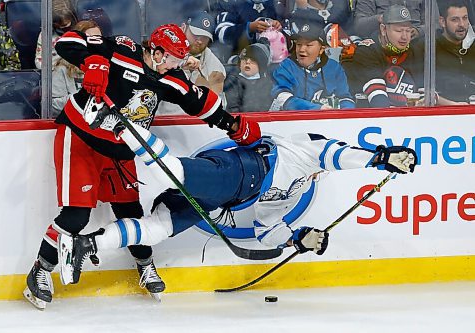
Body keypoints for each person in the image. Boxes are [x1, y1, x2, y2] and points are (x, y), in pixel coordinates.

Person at [23, 23, 260, 310]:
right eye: (171, 58)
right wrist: (94, 61)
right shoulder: (122, 48)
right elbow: (69, 41)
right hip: (82, 135)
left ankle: (145, 266)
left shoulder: (169, 78)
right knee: (76, 216)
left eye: (178, 60)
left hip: (121, 146)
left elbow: (198, 102)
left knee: (131, 212)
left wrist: (231, 124)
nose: (174, 66)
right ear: (156, 51)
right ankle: (40, 270)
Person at [56, 107, 417, 286]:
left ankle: (85, 246)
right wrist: (379, 159)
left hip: (224, 198)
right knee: (175, 172)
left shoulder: (296, 190)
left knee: (160, 228)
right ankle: (122, 124)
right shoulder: (306, 150)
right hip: (240, 171)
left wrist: (297, 238)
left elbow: (266, 229)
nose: (327, 161)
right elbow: (336, 155)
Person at [342, 5, 424, 108]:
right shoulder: (367, 50)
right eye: (398, 31)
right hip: (374, 117)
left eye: (408, 31)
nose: (404, 37)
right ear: (383, 29)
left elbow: (425, 91)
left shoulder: (414, 50)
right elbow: (378, 98)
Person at [270, 20, 355, 111]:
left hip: (330, 120)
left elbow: (345, 98)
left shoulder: (334, 67)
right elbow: (282, 98)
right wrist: (317, 109)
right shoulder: (286, 67)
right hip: (294, 122)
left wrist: (344, 114)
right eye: (299, 44)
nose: (302, 49)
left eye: (308, 45)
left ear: (321, 49)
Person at [158, 10, 226, 115]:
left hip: (197, 124)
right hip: (163, 120)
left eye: (204, 38)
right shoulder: (162, 48)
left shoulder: (216, 67)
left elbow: (220, 105)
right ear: (184, 28)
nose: (199, 41)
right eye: (196, 35)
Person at [52, 20, 102, 117]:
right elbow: (52, 107)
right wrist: (81, 98)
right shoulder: (63, 69)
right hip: (75, 125)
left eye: (99, 39)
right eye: (91, 39)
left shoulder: (109, 67)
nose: (97, 43)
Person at [434, 0, 475, 105]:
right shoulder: (428, 48)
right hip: (443, 116)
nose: (461, 24)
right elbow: (423, 94)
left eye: (465, 18)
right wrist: (455, 106)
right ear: (442, 22)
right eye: (455, 20)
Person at [215, 0, 284, 61]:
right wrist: (249, 28)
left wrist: (278, 30)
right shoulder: (232, 4)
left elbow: (290, 36)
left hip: (274, 60)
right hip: (241, 60)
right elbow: (221, 34)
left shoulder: (277, 4)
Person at [224, 39, 274, 112]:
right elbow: (232, 107)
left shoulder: (267, 84)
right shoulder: (232, 82)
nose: (247, 62)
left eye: (253, 60)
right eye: (244, 59)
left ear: (261, 66)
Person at [353, 0, 432, 39]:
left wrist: (418, 31)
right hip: (381, 47)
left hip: (418, 46)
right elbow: (360, 27)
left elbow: (436, 25)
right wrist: (381, 18)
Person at [35, 0, 77, 69]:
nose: (62, 28)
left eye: (65, 25)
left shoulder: (81, 31)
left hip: (76, 74)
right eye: (58, 26)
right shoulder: (45, 35)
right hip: (54, 74)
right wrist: (54, 69)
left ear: (71, 18)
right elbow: (39, 61)